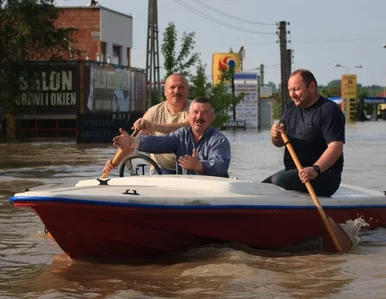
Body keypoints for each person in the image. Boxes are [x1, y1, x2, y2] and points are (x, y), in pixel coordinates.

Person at [263, 69, 345, 197]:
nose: (292, 94)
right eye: (290, 90)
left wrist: (315, 169)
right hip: (294, 172)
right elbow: (278, 143)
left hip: (324, 175)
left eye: (296, 89)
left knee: (278, 180)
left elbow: (336, 147)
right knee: (262, 187)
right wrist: (275, 135)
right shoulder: (290, 108)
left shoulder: (329, 110)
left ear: (311, 86)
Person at [110, 96, 231, 177]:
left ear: (212, 117)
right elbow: (159, 142)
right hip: (186, 190)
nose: (199, 117)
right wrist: (131, 141)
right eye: (195, 112)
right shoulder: (181, 134)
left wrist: (199, 166)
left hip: (212, 193)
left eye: (205, 113)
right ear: (189, 116)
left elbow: (220, 167)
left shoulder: (219, 140)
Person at [104, 73, 190, 175]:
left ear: (187, 91)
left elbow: (185, 127)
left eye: (181, 87)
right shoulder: (153, 112)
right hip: (161, 168)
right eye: (172, 87)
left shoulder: (195, 110)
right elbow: (133, 142)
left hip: (190, 168)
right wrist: (114, 162)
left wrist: (152, 126)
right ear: (165, 92)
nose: (176, 91)